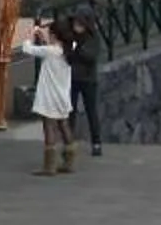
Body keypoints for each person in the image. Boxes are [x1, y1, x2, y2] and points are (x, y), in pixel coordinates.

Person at [14, 20, 76, 174]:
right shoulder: (70, 48)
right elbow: (51, 49)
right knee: (64, 124)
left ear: (54, 35)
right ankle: (69, 161)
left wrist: (29, 35)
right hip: (63, 95)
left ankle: (49, 166)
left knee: (49, 127)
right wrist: (44, 40)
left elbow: (27, 49)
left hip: (49, 97)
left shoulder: (50, 51)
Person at [57, 11, 102, 158]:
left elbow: (90, 56)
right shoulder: (71, 37)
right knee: (70, 112)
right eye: (75, 23)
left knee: (91, 111)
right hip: (72, 78)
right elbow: (68, 53)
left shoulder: (92, 37)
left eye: (80, 24)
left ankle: (96, 143)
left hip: (88, 80)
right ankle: (68, 143)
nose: (77, 27)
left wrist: (77, 50)